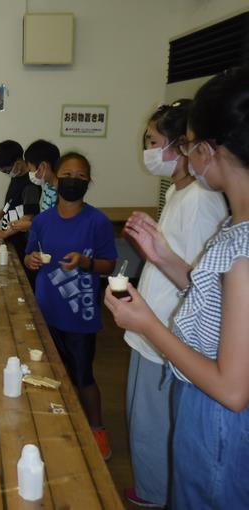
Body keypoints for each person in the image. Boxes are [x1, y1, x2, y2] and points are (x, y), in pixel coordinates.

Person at [106, 66, 249, 509]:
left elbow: (232, 389)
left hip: (218, 419)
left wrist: (148, 323)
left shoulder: (242, 250)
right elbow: (218, 302)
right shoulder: (234, 229)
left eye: (188, 144)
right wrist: (164, 256)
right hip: (205, 407)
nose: (186, 155)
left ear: (208, 149)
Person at [121, 100, 227, 507]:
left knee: (154, 423)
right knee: (144, 419)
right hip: (152, 329)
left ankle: (154, 493)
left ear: (184, 146)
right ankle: (153, 486)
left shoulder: (201, 200)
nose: (147, 150)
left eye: (153, 141)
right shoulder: (180, 193)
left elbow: (205, 284)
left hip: (167, 332)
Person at [23, 152, 117, 460]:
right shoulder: (42, 221)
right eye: (68, 175)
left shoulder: (97, 221)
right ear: (57, 177)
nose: (73, 181)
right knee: (49, 375)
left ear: (88, 182)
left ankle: (97, 430)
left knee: (83, 376)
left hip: (80, 314)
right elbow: (28, 255)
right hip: (45, 311)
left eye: (80, 176)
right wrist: (31, 259)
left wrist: (86, 262)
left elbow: (108, 264)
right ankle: (55, 426)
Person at [0, 140, 41, 263]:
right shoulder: (16, 177)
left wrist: (5, 233)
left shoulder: (31, 185)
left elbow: (28, 218)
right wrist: (0, 214)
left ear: (18, 163)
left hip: (23, 242)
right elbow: (11, 202)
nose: (7, 174)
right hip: (11, 238)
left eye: (7, 170)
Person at [9, 139, 60, 233]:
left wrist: (30, 225)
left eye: (31, 169)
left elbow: (59, 225)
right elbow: (45, 218)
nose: (30, 173)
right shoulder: (47, 186)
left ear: (42, 167)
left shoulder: (61, 192)